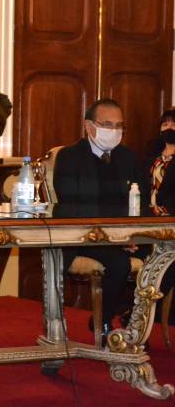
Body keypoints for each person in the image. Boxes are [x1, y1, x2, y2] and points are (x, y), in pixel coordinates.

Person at [54, 98, 146, 344]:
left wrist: (132, 235)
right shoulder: (70, 156)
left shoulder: (127, 157)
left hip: (124, 235)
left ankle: (134, 317)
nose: (114, 131)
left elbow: (141, 200)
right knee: (119, 264)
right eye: (107, 124)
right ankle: (104, 321)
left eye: (119, 126)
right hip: (84, 236)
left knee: (167, 255)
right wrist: (114, 238)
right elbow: (73, 204)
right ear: (89, 126)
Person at [136, 107, 175, 313]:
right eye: (165, 123)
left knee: (169, 263)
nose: (169, 127)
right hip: (145, 218)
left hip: (171, 222)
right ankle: (137, 310)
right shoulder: (150, 156)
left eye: (174, 123)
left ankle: (142, 312)